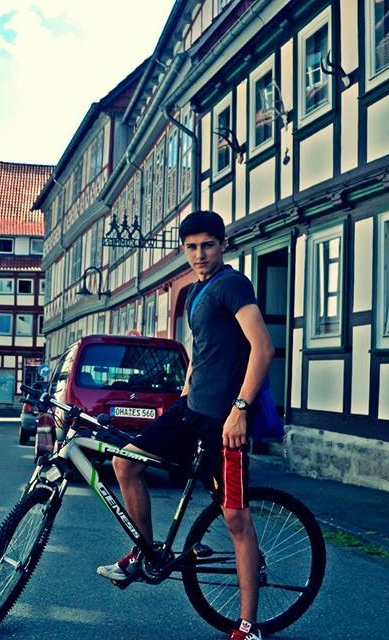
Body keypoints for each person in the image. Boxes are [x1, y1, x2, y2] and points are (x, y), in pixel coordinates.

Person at [96, 210, 275, 640]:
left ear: (223, 245)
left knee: (235, 518)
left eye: (208, 245)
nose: (200, 254)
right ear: (183, 249)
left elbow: (263, 347)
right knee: (125, 463)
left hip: (223, 420)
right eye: (192, 247)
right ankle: (143, 553)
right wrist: (185, 389)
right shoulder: (196, 291)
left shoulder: (232, 284)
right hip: (191, 409)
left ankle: (248, 626)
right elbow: (203, 347)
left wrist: (240, 409)